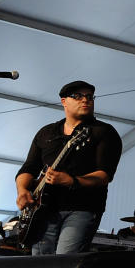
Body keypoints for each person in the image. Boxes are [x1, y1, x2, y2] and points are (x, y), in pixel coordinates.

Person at [15, 80, 122, 255]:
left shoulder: (103, 132)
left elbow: (104, 175)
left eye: (89, 96)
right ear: (64, 101)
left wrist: (73, 181)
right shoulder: (47, 133)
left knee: (63, 262)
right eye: (77, 96)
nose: (85, 100)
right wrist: (22, 190)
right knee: (39, 266)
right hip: (43, 211)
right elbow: (29, 167)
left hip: (82, 209)